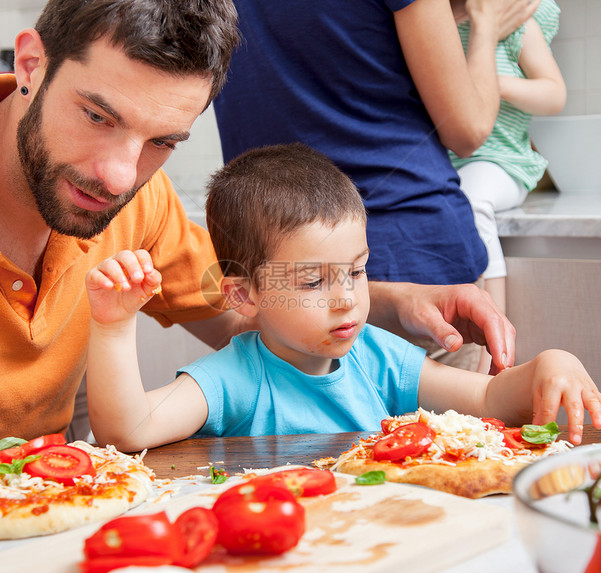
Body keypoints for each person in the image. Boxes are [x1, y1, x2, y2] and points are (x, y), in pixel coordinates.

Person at [0, 0, 514, 454]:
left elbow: (241, 310)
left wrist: (395, 299)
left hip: (39, 514)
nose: (117, 174)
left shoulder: (142, 202)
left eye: (162, 140)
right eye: (97, 116)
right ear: (30, 65)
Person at [86, 144, 601, 453]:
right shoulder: (234, 379)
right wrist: (112, 328)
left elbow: (491, 401)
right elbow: (128, 431)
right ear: (244, 296)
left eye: (357, 272)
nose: (347, 301)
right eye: (313, 283)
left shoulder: (378, 357)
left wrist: (548, 365)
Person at [212, 0, 540, 372]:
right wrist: (487, 30)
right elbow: (467, 128)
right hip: (416, 250)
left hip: (275, 278)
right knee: (445, 429)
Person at [448, 0, 566, 371]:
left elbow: (553, 94)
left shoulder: (514, 19)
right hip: (445, 166)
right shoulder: (432, 27)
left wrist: (489, 82)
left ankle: (494, 342)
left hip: (504, 163)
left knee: (469, 199)